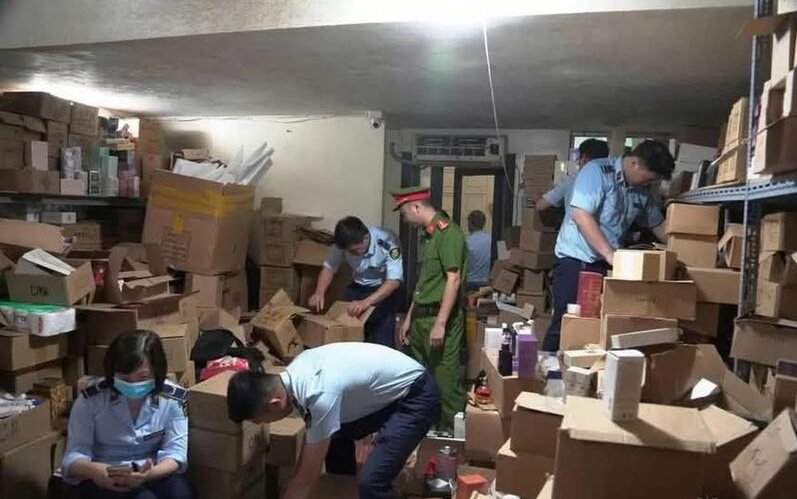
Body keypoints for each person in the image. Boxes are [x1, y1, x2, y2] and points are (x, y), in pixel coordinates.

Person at [226, 343, 440, 499]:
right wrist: (293, 485)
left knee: (372, 482)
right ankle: (344, 490)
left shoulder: (319, 393)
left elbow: (308, 476)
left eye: (262, 420)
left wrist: (293, 489)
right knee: (333, 439)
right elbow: (311, 446)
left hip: (416, 396)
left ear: (275, 404)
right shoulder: (296, 372)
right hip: (386, 392)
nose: (264, 424)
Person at [543, 140, 674, 352]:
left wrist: (684, 249)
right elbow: (581, 215)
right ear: (634, 163)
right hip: (576, 259)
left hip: (604, 263)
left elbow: (657, 224)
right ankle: (547, 366)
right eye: (648, 178)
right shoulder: (597, 172)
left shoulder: (642, 191)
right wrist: (610, 255)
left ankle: (584, 367)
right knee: (567, 322)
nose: (649, 184)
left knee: (599, 325)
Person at [61, 330, 192, 499]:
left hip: (151, 470)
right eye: (124, 378)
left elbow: (175, 453)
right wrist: (95, 471)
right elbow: (73, 456)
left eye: (143, 378)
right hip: (104, 473)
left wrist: (148, 474)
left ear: (156, 372)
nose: (133, 385)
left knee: (181, 494)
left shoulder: (173, 398)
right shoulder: (90, 400)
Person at [392, 186, 467, 431]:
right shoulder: (427, 237)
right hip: (420, 320)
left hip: (440, 318)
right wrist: (408, 318)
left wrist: (441, 324)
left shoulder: (449, 234)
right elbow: (424, 283)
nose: (405, 220)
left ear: (416, 207)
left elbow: (453, 279)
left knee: (446, 382)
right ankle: (424, 432)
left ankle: (452, 438)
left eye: (405, 213)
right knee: (418, 380)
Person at [308, 216, 402, 347]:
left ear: (365, 238)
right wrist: (319, 292)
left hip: (382, 292)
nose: (352, 254)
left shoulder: (387, 240)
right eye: (349, 251)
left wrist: (366, 302)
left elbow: (394, 281)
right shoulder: (343, 243)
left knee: (381, 343)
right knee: (349, 339)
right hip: (357, 288)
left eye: (355, 250)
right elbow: (329, 267)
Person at [536, 138, 609, 211]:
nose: (578, 161)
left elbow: (540, 205)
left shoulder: (572, 180)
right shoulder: (612, 179)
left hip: (576, 218)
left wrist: (538, 197)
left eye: (579, 158)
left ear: (584, 159)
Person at [465, 210, 491, 291]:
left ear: (470, 224)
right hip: (487, 282)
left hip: (470, 283)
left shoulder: (467, 242)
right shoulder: (491, 240)